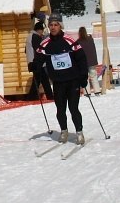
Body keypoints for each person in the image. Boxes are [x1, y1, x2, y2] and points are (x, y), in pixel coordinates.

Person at [36, 13, 87, 145]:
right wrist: (34, 66)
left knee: (73, 108)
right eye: (51, 25)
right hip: (58, 82)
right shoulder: (45, 43)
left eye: (56, 25)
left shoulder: (69, 40)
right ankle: (64, 131)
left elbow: (81, 58)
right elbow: (38, 58)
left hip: (73, 80)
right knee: (60, 109)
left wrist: (83, 77)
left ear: (60, 26)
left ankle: (79, 132)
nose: (53, 27)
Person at [28, 21, 53, 100]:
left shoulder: (30, 36)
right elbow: (40, 50)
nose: (42, 33)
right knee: (38, 81)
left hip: (32, 62)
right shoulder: (36, 37)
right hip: (37, 62)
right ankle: (32, 97)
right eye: (42, 30)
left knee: (42, 80)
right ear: (39, 30)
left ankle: (49, 95)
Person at [77, 26, 100, 95]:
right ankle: (97, 90)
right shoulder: (90, 39)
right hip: (92, 61)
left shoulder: (78, 42)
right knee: (94, 77)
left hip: (83, 62)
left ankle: (87, 92)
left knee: (85, 78)